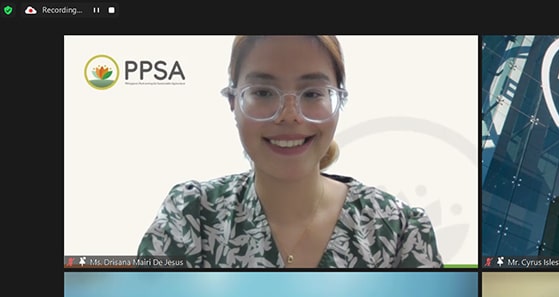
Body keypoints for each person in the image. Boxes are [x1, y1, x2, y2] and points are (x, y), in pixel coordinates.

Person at [138, 35, 443, 268]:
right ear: (233, 101)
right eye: (262, 92)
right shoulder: (190, 215)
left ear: (339, 102)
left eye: (311, 93)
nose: (289, 115)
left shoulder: (400, 231)